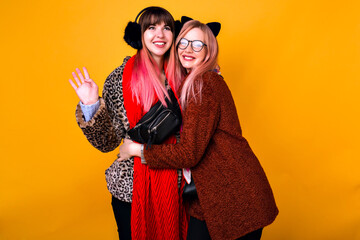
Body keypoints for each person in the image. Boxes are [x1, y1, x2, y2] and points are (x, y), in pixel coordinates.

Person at [119, 19, 279, 240]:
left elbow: (189, 153)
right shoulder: (197, 80)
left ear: (209, 51)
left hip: (235, 195)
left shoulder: (203, 85)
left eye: (197, 44)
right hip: (215, 196)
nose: (187, 49)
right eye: (183, 42)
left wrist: (138, 151)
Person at [69, 7, 187, 240]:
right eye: (151, 27)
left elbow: (196, 138)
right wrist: (91, 104)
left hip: (180, 187)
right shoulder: (119, 79)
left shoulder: (187, 75)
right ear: (139, 35)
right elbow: (108, 143)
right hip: (130, 189)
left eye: (166, 28)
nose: (159, 35)